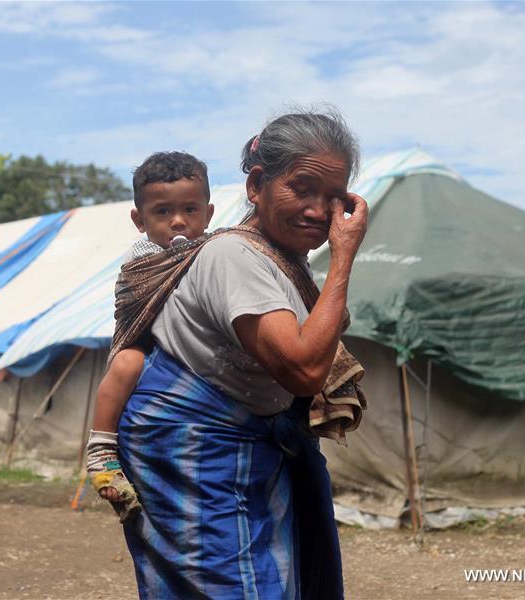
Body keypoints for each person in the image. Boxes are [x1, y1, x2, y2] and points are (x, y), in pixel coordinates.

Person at [112, 110, 369, 599]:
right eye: (303, 188)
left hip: (246, 455)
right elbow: (304, 369)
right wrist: (344, 258)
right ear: (256, 186)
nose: (319, 209)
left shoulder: (279, 263)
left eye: (333, 197)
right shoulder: (235, 256)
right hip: (200, 454)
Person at [86, 151, 215, 522]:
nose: (178, 221)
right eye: (162, 212)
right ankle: (101, 451)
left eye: (190, 210)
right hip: (144, 344)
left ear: (207, 214)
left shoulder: (220, 249)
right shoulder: (141, 259)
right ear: (139, 220)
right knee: (127, 363)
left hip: (197, 358)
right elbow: (136, 302)